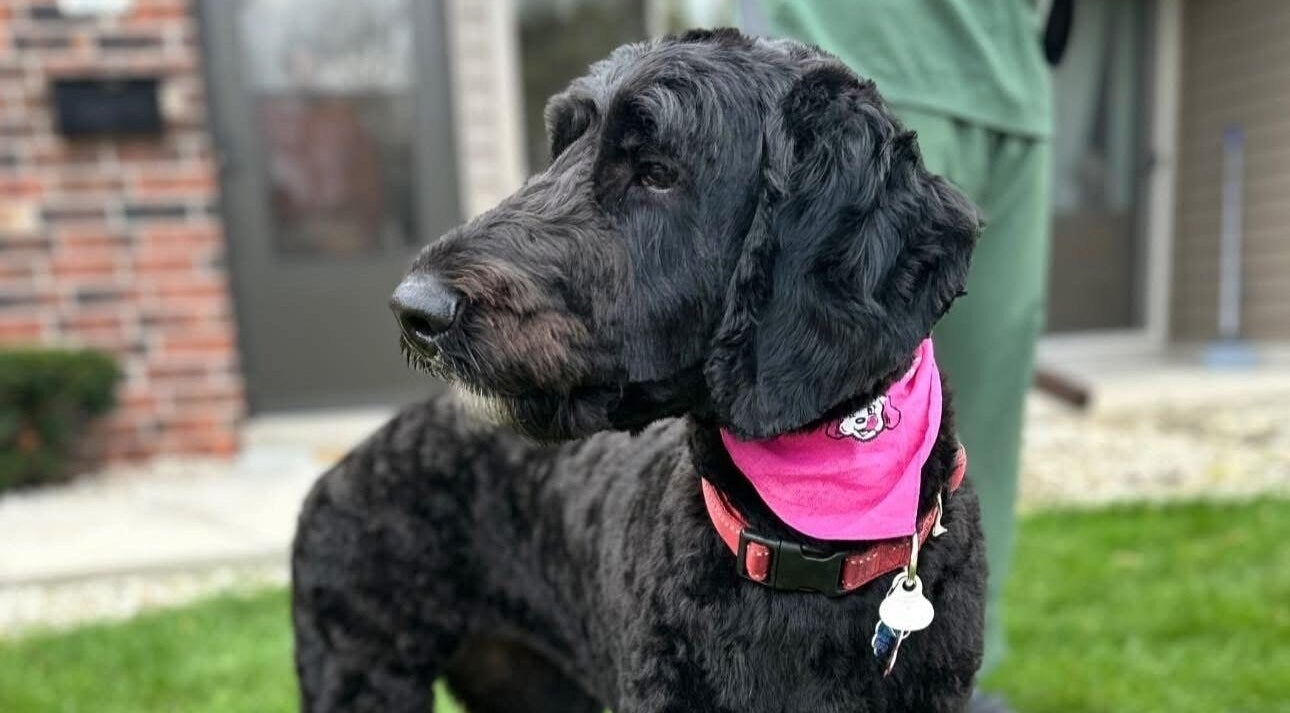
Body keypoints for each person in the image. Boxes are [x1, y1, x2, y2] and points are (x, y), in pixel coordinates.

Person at [744, 2, 1059, 710]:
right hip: (843, 42)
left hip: (1011, 78)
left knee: (970, 448)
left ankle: (954, 677)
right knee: (799, 429)